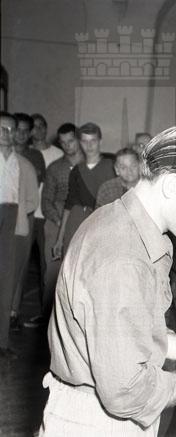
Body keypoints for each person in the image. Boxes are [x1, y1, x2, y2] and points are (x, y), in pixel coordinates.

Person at [41, 125, 176, 436]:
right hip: (99, 423)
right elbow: (127, 392)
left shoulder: (121, 222)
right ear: (172, 185)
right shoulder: (124, 258)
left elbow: (133, 332)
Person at [26, 123, 84, 329]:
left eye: (71, 141)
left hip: (82, 224)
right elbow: (46, 201)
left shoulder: (90, 165)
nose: (68, 146)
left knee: (80, 273)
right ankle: (47, 319)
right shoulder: (55, 168)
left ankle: (76, 321)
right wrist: (60, 221)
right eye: (63, 142)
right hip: (56, 223)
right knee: (52, 274)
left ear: (78, 140)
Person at [0, 112, 38, 359]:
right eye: (1, 128)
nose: (6, 134)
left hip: (12, 224)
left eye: (11, 129)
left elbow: (32, 200)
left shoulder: (23, 164)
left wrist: (17, 216)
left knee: (6, 285)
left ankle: (2, 343)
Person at [23, 115, 64, 329]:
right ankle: (13, 312)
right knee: (21, 266)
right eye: (34, 127)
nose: (38, 130)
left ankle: (45, 315)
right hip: (28, 215)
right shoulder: (27, 153)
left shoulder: (58, 154)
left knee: (46, 268)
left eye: (42, 126)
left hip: (48, 218)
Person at [53, 122, 115, 258]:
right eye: (85, 141)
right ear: (80, 143)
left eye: (93, 140)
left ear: (100, 141)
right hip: (79, 224)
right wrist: (60, 239)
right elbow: (69, 205)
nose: (89, 145)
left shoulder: (112, 166)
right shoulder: (77, 170)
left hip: (105, 224)